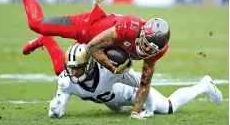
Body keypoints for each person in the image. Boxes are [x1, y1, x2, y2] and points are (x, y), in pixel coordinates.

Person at [0, 0, 171, 118]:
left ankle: (46, 41)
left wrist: (135, 111)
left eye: (151, 50)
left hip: (102, 47)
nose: (146, 51)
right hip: (88, 29)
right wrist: (113, 68)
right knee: (36, 23)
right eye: (145, 45)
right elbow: (92, 47)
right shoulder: (128, 27)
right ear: (141, 32)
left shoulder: (158, 50)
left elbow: (145, 83)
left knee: (64, 71)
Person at [48, 43, 222, 118]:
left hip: (130, 94)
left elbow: (142, 82)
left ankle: (204, 85)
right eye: (71, 67)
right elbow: (57, 111)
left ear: (90, 64)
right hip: (112, 100)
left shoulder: (109, 71)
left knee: (168, 107)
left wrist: (149, 105)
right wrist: (55, 109)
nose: (74, 72)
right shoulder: (67, 80)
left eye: (78, 67)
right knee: (117, 109)